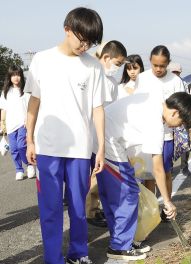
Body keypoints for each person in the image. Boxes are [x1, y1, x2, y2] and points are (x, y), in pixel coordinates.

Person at [25, 7, 105, 264]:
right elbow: (34, 103)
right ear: (67, 29)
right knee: (50, 209)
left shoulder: (93, 65)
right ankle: (52, 258)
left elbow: (97, 109)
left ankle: (78, 253)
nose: (86, 45)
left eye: (91, 41)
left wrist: (100, 147)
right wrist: (29, 139)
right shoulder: (42, 59)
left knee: (79, 208)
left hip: (81, 149)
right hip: (47, 147)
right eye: (82, 38)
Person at [95, 91, 191, 261]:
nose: (178, 127)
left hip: (104, 141)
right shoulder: (155, 122)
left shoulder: (155, 100)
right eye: (181, 122)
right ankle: (119, 247)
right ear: (175, 113)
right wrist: (167, 201)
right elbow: (158, 169)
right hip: (107, 145)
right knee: (127, 195)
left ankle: (124, 241)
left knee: (116, 195)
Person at [135, 46, 185, 222]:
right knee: (148, 174)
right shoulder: (141, 79)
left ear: (168, 64)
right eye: (155, 65)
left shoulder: (175, 81)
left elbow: (181, 107)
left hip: (166, 135)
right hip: (145, 134)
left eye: (162, 66)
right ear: (150, 61)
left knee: (165, 172)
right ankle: (150, 209)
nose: (158, 69)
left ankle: (166, 205)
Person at [85, 40, 127, 228]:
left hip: (104, 134)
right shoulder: (92, 73)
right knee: (92, 177)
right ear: (106, 57)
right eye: (117, 64)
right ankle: (90, 212)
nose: (117, 68)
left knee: (100, 175)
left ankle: (95, 209)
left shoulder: (111, 81)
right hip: (91, 132)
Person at [0, 65, 35, 180]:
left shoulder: (26, 91)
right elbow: (4, 109)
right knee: (14, 149)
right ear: (9, 77)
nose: (16, 78)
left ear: (21, 76)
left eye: (18, 75)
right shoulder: (6, 92)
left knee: (21, 146)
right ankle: (19, 170)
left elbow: (31, 108)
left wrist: (28, 120)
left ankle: (30, 165)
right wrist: (2, 123)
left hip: (23, 124)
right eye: (13, 75)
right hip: (10, 125)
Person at [167, 62, 191, 177]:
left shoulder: (184, 84)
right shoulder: (164, 83)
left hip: (181, 118)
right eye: (173, 72)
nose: (175, 74)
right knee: (168, 145)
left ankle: (184, 167)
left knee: (184, 144)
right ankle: (169, 168)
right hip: (167, 119)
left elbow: (187, 101)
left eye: (177, 72)